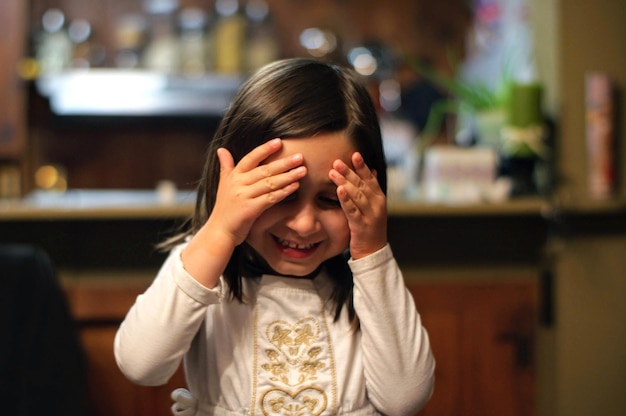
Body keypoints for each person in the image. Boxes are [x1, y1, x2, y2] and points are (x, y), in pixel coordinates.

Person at [114, 58, 435, 416]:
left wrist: (372, 253)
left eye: (330, 200)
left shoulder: (371, 289)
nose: (304, 224)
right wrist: (219, 230)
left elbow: (405, 398)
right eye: (282, 195)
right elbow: (140, 364)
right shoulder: (203, 271)